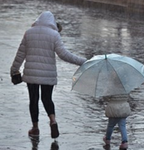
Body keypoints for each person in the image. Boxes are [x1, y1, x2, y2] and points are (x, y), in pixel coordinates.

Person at [10, 11, 87, 139]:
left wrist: (14, 70)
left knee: (33, 100)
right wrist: (83, 62)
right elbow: (64, 54)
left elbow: (20, 54)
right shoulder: (54, 34)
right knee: (47, 98)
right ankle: (53, 120)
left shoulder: (29, 33)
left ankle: (35, 128)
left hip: (31, 73)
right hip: (48, 74)